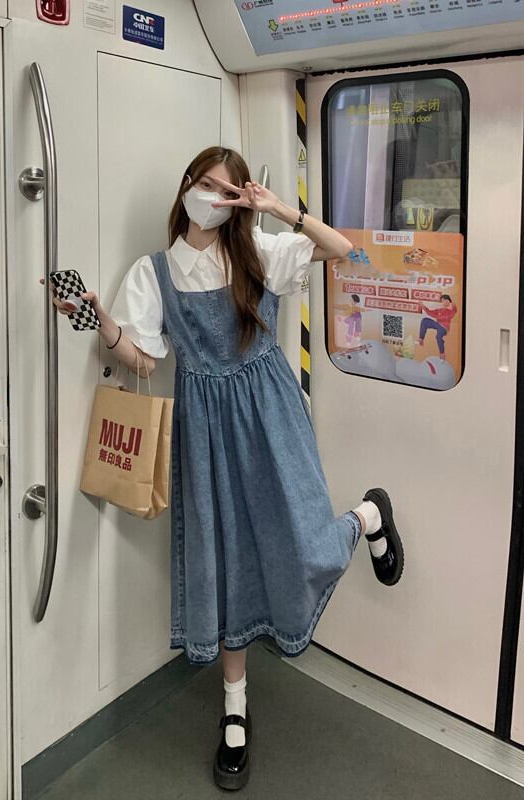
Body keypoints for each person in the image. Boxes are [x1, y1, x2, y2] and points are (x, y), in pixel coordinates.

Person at [47, 147, 404, 791]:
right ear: (185, 186)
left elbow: (340, 249)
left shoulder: (256, 250)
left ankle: (368, 515)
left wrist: (277, 208)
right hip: (205, 430)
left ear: (240, 199)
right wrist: (99, 320)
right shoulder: (154, 272)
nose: (212, 198)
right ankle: (234, 711)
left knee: (302, 541)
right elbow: (143, 359)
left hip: (271, 412)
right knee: (225, 561)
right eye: (204, 184)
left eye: (226, 190)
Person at [417, 294, 457, 360]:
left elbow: (454, 310)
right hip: (438, 325)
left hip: (444, 328)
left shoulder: (450, 311)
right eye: (443, 301)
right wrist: (423, 306)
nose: (444, 302)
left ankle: (442, 354)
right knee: (424, 320)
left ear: (449, 301)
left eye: (446, 300)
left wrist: (452, 302)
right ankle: (421, 339)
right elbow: (429, 312)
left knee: (438, 337)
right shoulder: (439, 310)